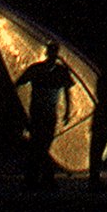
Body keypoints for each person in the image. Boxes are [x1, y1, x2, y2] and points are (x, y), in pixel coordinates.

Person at [18, 40, 75, 187]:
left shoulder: (59, 71)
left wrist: (67, 112)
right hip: (38, 113)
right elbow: (19, 83)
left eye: (54, 52)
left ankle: (36, 177)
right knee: (39, 145)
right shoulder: (37, 69)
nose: (52, 54)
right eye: (52, 51)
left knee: (42, 144)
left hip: (48, 113)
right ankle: (42, 178)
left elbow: (67, 92)